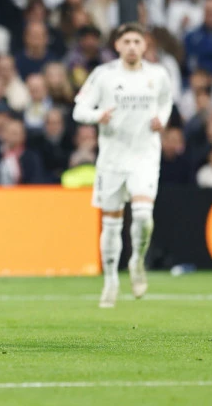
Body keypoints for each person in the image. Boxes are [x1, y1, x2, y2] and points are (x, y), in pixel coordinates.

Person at [73, 23, 173, 308]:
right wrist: (98, 116)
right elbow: (79, 110)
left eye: (136, 41)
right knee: (111, 223)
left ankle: (137, 261)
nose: (131, 46)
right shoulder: (103, 75)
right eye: (126, 41)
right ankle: (111, 281)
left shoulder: (158, 74)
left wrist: (162, 119)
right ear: (117, 45)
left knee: (143, 216)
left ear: (145, 45)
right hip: (112, 159)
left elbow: (166, 102)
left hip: (144, 156)